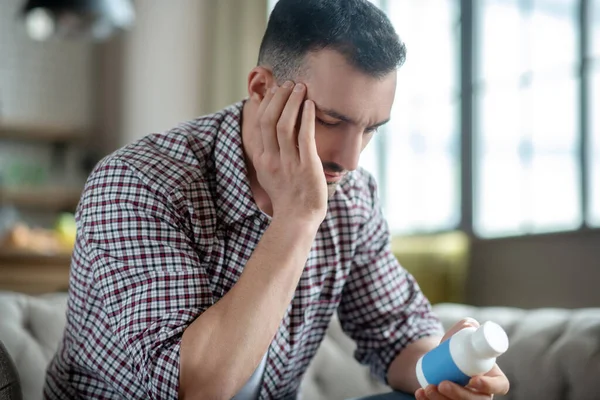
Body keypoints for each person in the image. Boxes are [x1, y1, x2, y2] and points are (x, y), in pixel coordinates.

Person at [43, 0, 510, 399]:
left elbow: (398, 333)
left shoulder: (352, 196)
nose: (350, 158)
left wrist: (454, 366)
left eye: (370, 130)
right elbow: (196, 387)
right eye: (330, 121)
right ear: (262, 89)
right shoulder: (139, 181)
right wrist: (298, 217)